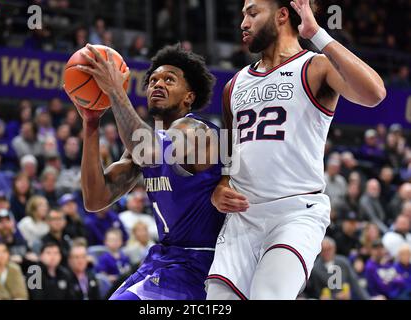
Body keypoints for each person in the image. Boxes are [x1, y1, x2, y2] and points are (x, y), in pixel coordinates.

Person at [208, 0, 386, 300]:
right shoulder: (234, 84)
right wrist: (222, 185)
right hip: (243, 217)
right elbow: (232, 151)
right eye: (242, 15)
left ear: (281, 15)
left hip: (295, 212)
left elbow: (374, 93)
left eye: (252, 13)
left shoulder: (315, 66)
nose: (243, 23)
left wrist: (317, 34)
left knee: (268, 295)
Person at [71, 43, 223, 300]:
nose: (158, 84)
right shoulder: (145, 146)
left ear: (189, 96)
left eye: (169, 80)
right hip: (165, 259)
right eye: (152, 80)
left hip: (202, 264)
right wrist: (91, 123)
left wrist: (114, 90)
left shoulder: (197, 131)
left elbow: (152, 151)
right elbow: (96, 198)